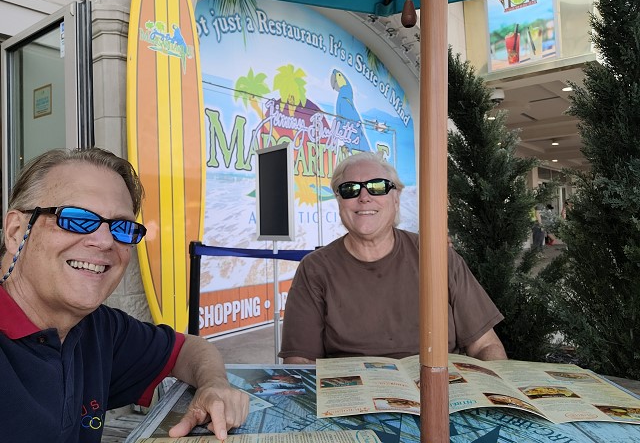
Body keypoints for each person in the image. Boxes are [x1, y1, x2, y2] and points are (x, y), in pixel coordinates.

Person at [0, 148, 248, 442]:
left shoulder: (99, 328)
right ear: (16, 232)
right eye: (76, 218)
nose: (105, 241)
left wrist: (214, 385)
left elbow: (189, 350)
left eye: (122, 227)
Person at [279, 152, 507, 364]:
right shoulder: (314, 269)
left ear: (396, 198)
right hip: (352, 392)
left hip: (439, 389)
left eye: (377, 187)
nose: (364, 197)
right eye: (350, 189)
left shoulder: (436, 255)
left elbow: (486, 345)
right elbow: (300, 361)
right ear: (339, 201)